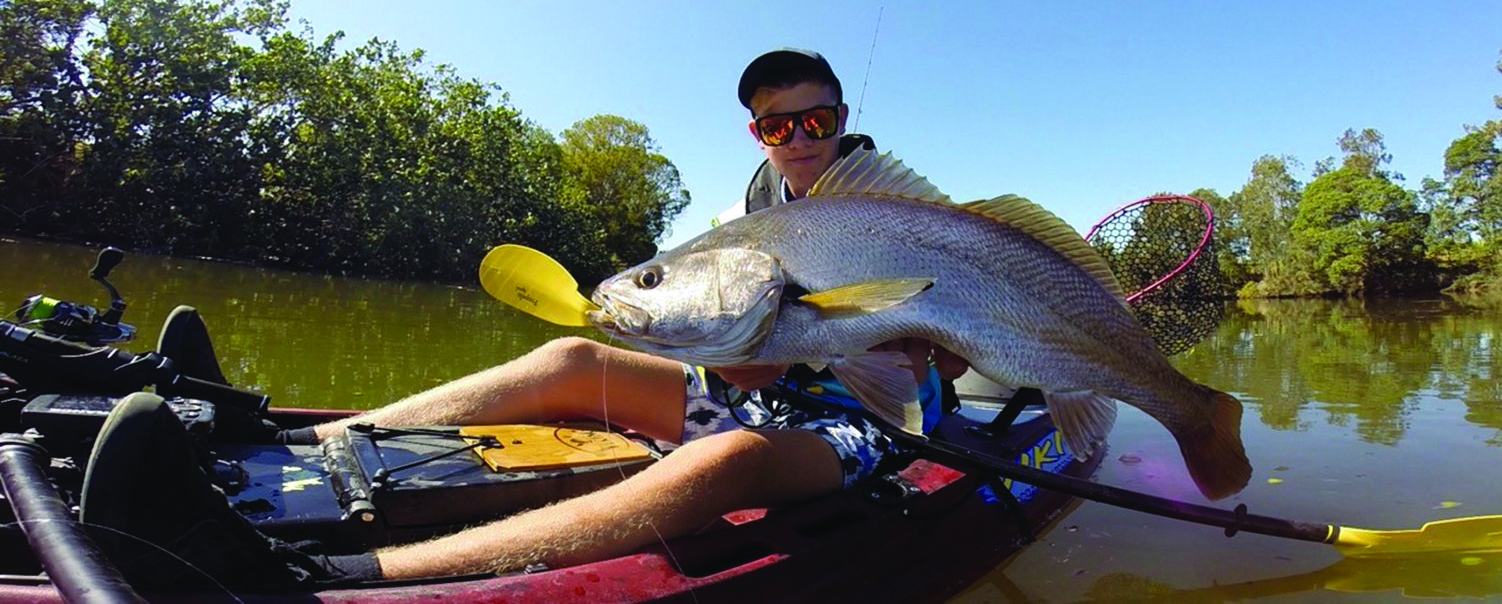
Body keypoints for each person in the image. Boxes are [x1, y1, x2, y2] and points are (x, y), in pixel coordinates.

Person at [82, 48, 969, 591]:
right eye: (776, 125)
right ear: (757, 136)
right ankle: (259, 444)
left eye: (815, 118)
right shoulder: (759, 205)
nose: (799, 137)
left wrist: (916, 349)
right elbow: (740, 347)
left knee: (725, 459)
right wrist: (710, 344)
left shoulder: (910, 217)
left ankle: (314, 573)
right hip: (752, 393)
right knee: (567, 358)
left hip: (864, 426)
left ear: (842, 118)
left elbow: (958, 370)